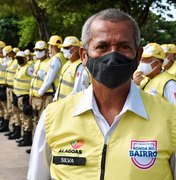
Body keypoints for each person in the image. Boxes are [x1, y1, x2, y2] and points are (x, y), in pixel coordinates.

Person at [27, 8, 176, 180]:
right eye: (102, 46)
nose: (113, 56)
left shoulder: (170, 120)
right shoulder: (52, 118)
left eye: (124, 46)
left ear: (138, 55)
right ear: (84, 56)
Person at [53, 36, 90, 101]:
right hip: (61, 105)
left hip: (69, 106)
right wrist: (55, 98)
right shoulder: (67, 64)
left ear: (75, 49)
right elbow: (60, 84)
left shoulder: (80, 67)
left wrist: (62, 103)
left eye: (66, 48)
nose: (62, 50)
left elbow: (76, 91)